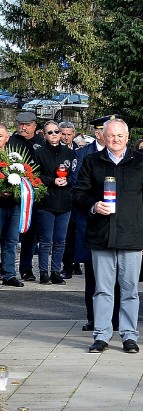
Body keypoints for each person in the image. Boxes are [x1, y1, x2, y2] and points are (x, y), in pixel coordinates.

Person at [73, 118, 143, 354]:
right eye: (111, 136)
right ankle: (101, 335)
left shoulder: (141, 161)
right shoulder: (91, 161)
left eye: (120, 136)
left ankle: (129, 336)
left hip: (131, 236)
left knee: (130, 290)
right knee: (102, 290)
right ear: (102, 137)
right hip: (102, 235)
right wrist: (93, 205)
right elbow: (78, 194)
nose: (115, 140)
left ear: (128, 138)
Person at [33, 120, 74, 285]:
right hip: (47, 202)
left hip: (64, 202)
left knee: (60, 240)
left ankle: (56, 271)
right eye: (50, 132)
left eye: (56, 131)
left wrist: (67, 181)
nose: (55, 135)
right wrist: (52, 181)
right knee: (45, 240)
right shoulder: (40, 153)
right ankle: (44, 272)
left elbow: (75, 173)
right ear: (44, 134)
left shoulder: (69, 153)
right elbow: (35, 175)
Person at [11, 112, 45, 283]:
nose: (23, 128)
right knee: (8, 234)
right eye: (20, 124)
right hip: (13, 193)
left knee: (30, 234)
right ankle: (6, 267)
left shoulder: (41, 143)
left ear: (35, 126)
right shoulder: (11, 141)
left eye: (27, 125)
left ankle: (26, 268)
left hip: (34, 195)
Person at [0, 123, 23, 287]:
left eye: (1, 136)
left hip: (13, 204)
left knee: (11, 240)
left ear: (8, 138)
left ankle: (9, 274)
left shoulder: (14, 158)